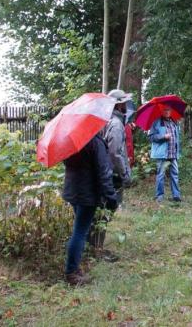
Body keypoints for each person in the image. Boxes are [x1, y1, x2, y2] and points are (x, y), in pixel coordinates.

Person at [61, 132, 118, 285]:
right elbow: (103, 171)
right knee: (80, 232)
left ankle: (75, 266)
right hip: (87, 194)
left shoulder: (71, 140)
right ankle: (71, 272)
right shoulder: (94, 141)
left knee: (79, 230)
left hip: (73, 191)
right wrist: (111, 197)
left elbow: (66, 162)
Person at [91, 89, 133, 260]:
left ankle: (94, 247)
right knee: (106, 211)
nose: (126, 105)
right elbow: (115, 153)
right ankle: (97, 249)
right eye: (124, 102)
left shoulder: (104, 120)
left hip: (103, 172)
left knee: (101, 211)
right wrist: (125, 175)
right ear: (119, 104)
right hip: (112, 175)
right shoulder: (115, 124)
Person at [149, 105, 183, 203]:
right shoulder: (157, 122)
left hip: (173, 154)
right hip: (163, 154)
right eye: (165, 110)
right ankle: (159, 196)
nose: (167, 111)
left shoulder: (174, 122)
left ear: (171, 111)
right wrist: (163, 136)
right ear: (162, 111)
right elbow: (151, 137)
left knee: (175, 174)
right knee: (161, 175)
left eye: (168, 110)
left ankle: (176, 196)